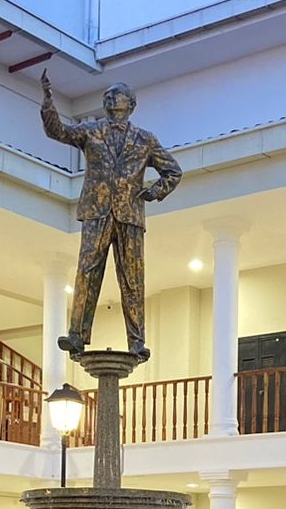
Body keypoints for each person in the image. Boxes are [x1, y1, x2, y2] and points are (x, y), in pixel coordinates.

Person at [39, 72, 182, 360]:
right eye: (106, 96)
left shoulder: (145, 139)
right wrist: (48, 103)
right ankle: (77, 335)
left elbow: (173, 171)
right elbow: (59, 132)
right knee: (87, 271)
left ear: (131, 103)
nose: (109, 98)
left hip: (130, 214)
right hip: (97, 211)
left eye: (115, 95)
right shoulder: (90, 131)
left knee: (132, 277)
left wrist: (155, 191)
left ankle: (136, 341)